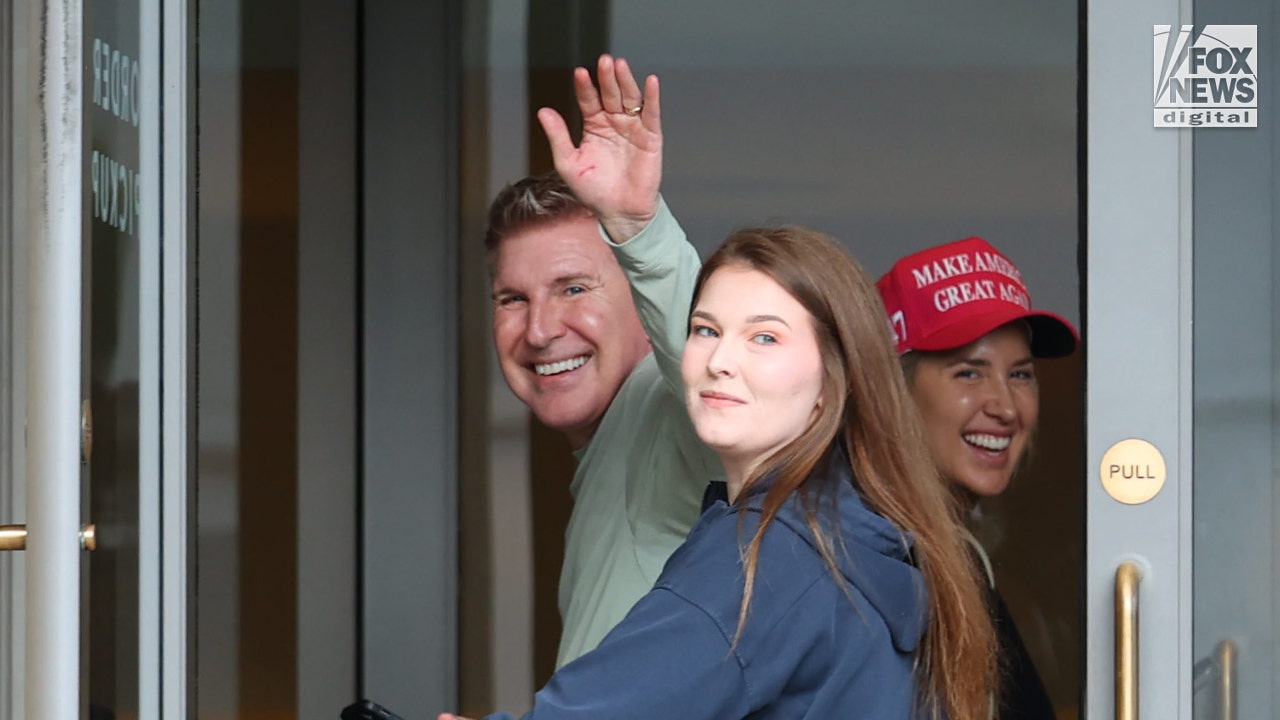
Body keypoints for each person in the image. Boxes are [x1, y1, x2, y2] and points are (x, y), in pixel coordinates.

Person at [441, 225, 998, 720]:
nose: (719, 361)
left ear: (833, 381)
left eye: (764, 338)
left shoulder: (762, 563)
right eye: (706, 330)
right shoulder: (859, 531)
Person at [485, 55, 720, 667]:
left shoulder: (672, 415)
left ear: (642, 297)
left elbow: (721, 372)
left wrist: (640, 229)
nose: (539, 331)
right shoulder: (610, 447)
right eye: (513, 299)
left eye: (573, 288)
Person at [876, 236, 1080, 719]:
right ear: (893, 393)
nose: (1006, 407)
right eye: (969, 373)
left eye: (1020, 375)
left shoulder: (957, 554)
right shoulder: (867, 559)